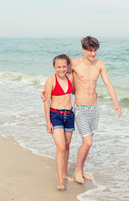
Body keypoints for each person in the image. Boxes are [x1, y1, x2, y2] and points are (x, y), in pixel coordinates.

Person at [71, 36, 122, 184]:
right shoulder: (74, 63)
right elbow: (60, 76)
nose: (93, 54)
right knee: (88, 142)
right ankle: (77, 171)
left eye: (95, 50)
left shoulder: (100, 64)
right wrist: (48, 94)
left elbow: (108, 83)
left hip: (94, 108)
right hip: (80, 108)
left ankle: (81, 168)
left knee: (89, 141)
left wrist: (116, 102)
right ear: (83, 49)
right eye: (90, 51)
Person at [43, 54, 76, 191]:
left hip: (69, 115)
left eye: (64, 66)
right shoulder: (50, 80)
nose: (61, 69)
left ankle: (65, 173)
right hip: (55, 115)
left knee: (67, 145)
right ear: (53, 67)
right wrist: (48, 122)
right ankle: (60, 180)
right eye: (58, 67)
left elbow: (75, 92)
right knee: (61, 147)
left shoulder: (70, 77)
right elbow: (46, 102)